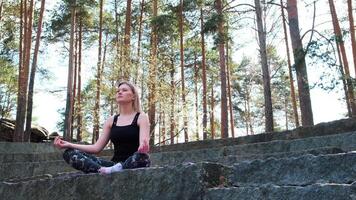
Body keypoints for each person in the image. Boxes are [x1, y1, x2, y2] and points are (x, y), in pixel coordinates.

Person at [54, 81, 151, 174]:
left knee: (142, 157)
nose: (120, 92)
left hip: (133, 161)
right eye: (118, 91)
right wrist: (69, 145)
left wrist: (143, 148)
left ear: (133, 96)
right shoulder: (111, 120)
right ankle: (102, 170)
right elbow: (96, 148)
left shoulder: (141, 117)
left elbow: (143, 144)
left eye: (124, 90)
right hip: (113, 165)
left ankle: (116, 169)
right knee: (69, 153)